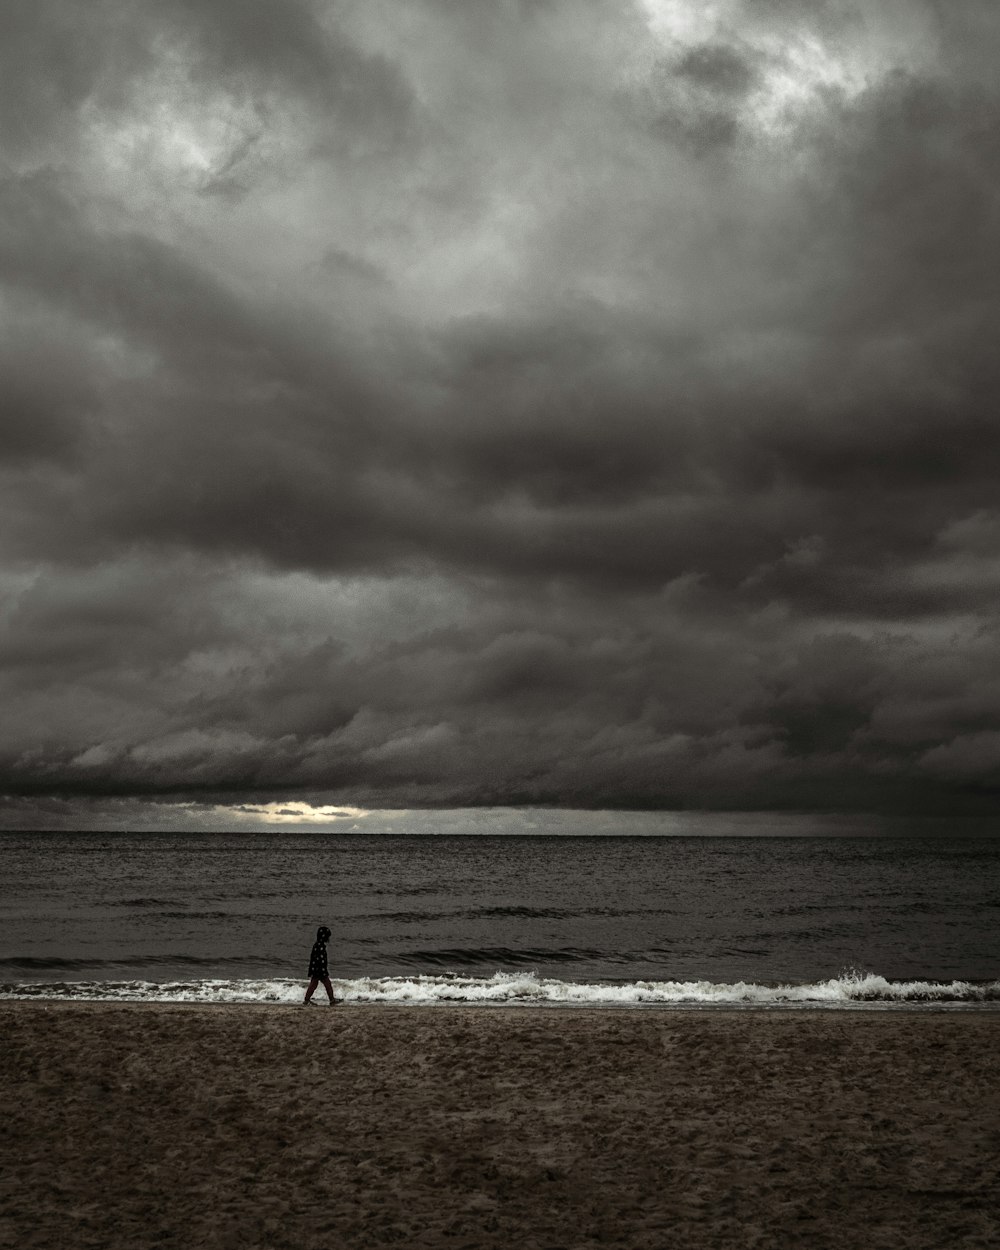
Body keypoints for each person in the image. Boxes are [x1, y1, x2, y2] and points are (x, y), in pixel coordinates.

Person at [303, 925, 336, 1005]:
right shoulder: (319, 946)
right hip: (319, 970)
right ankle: (331, 1000)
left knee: (316, 984)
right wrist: (322, 970)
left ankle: (307, 1000)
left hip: (317, 969)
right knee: (324, 984)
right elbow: (319, 960)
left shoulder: (318, 945)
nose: (328, 939)